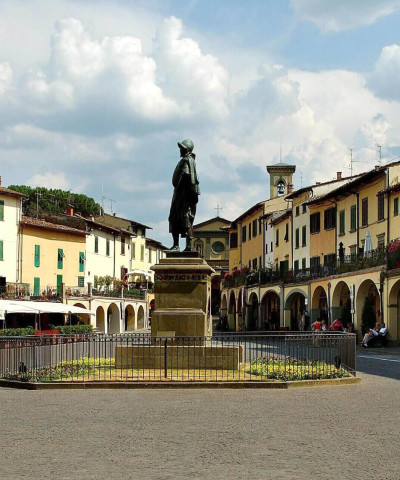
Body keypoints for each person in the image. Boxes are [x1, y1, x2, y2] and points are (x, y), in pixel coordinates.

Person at [168, 139, 200, 251]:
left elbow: (186, 173)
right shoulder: (190, 160)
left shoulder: (186, 160)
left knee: (177, 218)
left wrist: (179, 186)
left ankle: (178, 245)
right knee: (184, 219)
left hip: (182, 196)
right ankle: (187, 246)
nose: (180, 150)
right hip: (183, 195)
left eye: (181, 148)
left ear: (186, 149)